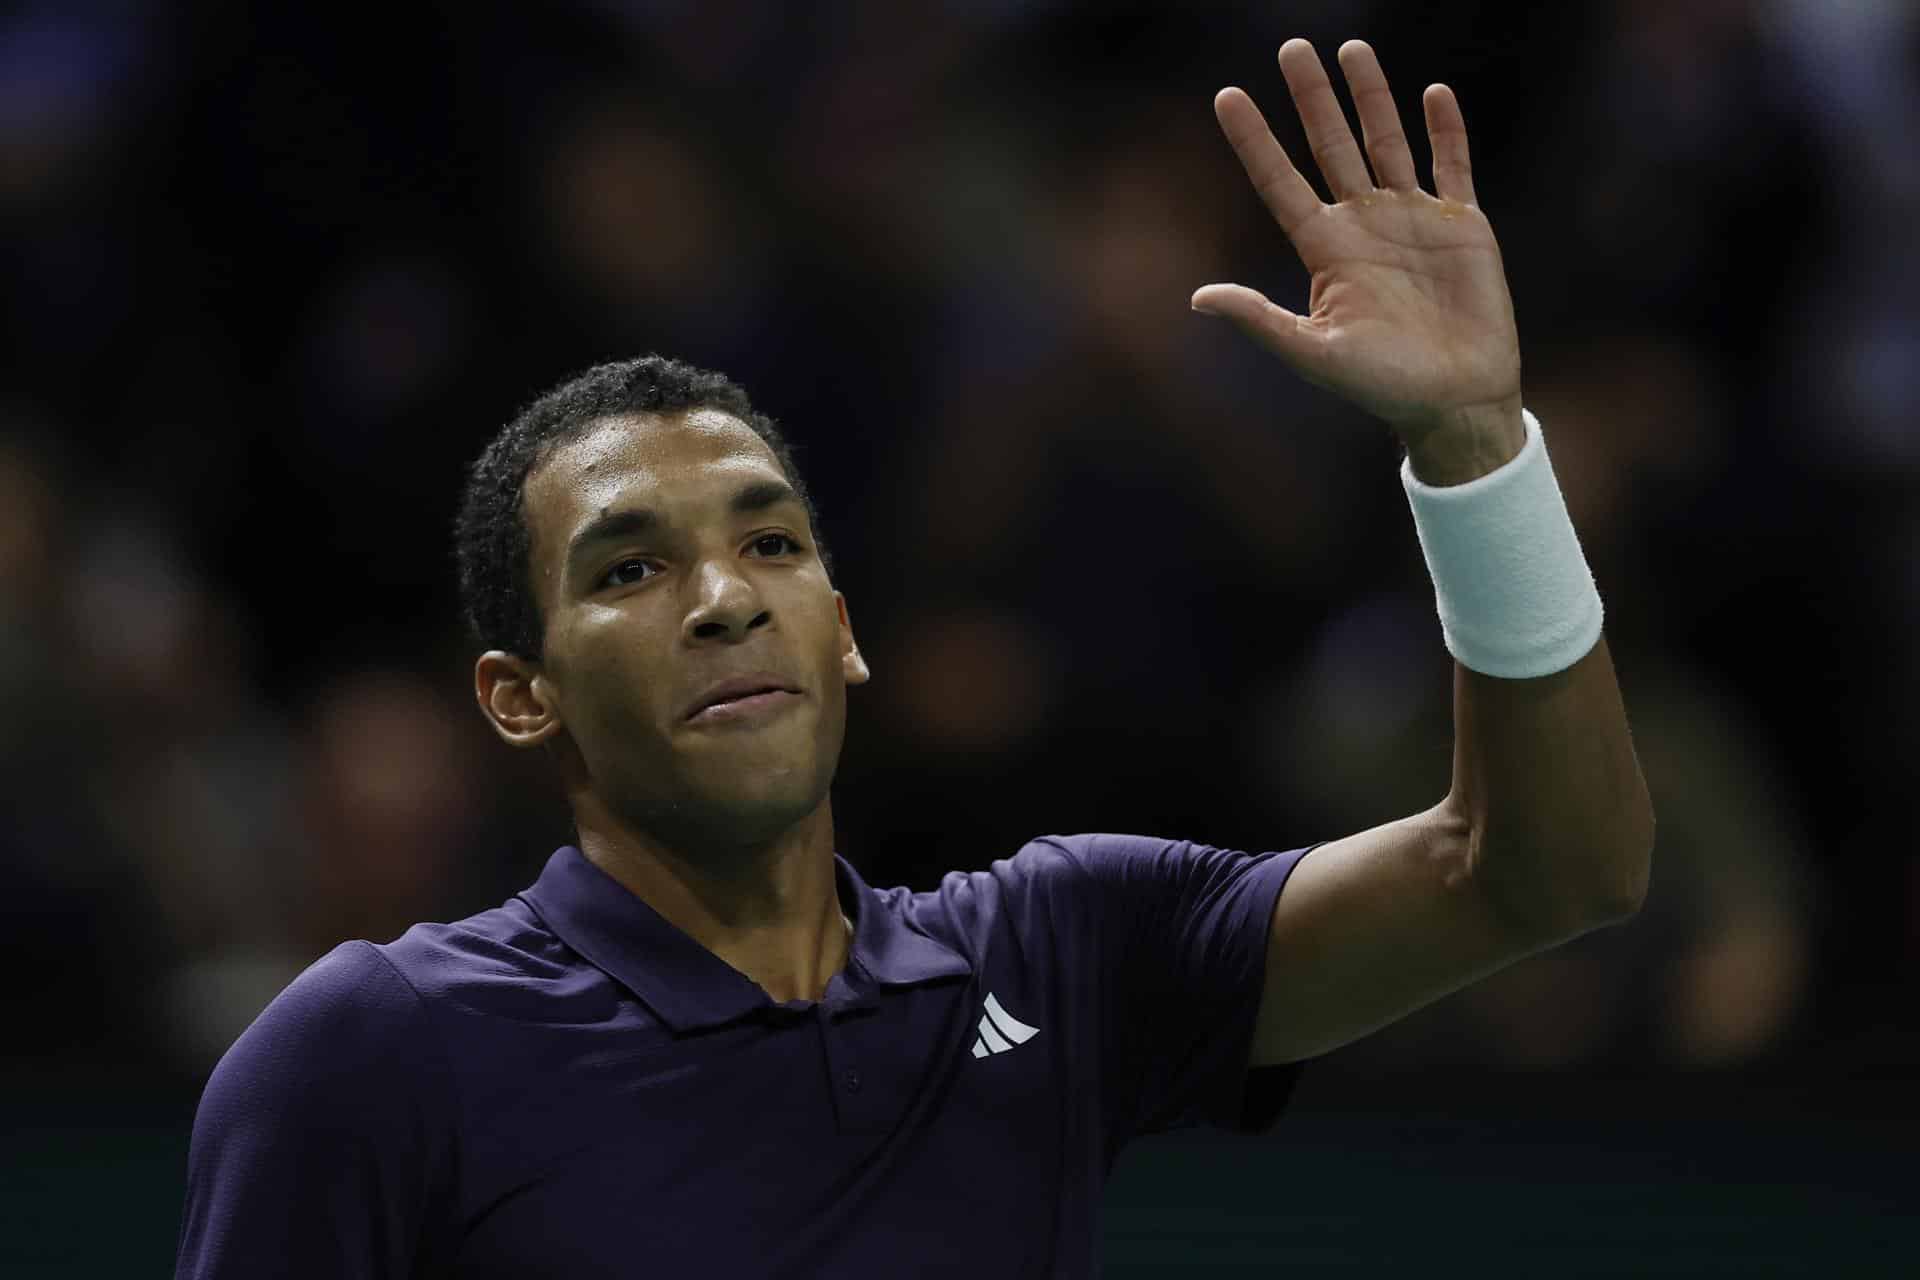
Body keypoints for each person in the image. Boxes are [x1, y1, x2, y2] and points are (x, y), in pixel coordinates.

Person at [175, 38, 1654, 1278]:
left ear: (848, 628)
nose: (726, 600)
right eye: (631, 568)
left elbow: (1546, 870)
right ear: (519, 696)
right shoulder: (367, 1054)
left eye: (773, 545)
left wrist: (1476, 451)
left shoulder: (1061, 952)